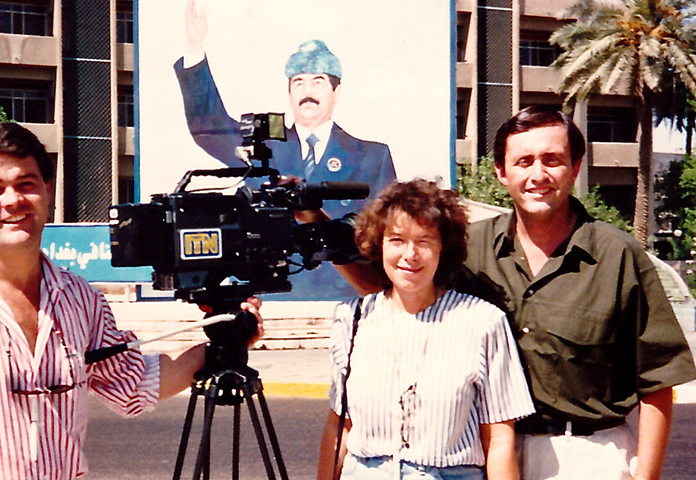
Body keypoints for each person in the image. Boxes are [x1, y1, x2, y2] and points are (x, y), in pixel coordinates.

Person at [0, 122, 264, 480]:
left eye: (26, 184)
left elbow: (132, 387)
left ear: (46, 190)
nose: (12, 201)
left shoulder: (80, 299)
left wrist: (221, 343)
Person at [332, 106, 696, 480]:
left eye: (552, 160)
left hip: (587, 456)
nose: (538, 175)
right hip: (487, 453)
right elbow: (397, 286)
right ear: (502, 172)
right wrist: (318, 230)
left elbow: (658, 380)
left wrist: (646, 475)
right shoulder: (471, 247)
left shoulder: (617, 255)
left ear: (575, 167)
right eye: (524, 161)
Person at [173, 0, 396, 299]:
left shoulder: (372, 156)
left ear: (336, 91)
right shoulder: (260, 149)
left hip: (348, 299)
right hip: (273, 299)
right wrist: (194, 47)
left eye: (318, 82)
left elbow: (383, 234)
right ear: (289, 92)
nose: (308, 92)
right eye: (299, 82)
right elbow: (207, 126)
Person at [316, 179, 535, 480]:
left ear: (443, 248)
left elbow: (498, 439)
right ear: (379, 245)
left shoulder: (483, 322)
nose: (410, 255)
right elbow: (339, 425)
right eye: (396, 240)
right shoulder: (351, 319)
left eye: (424, 241)